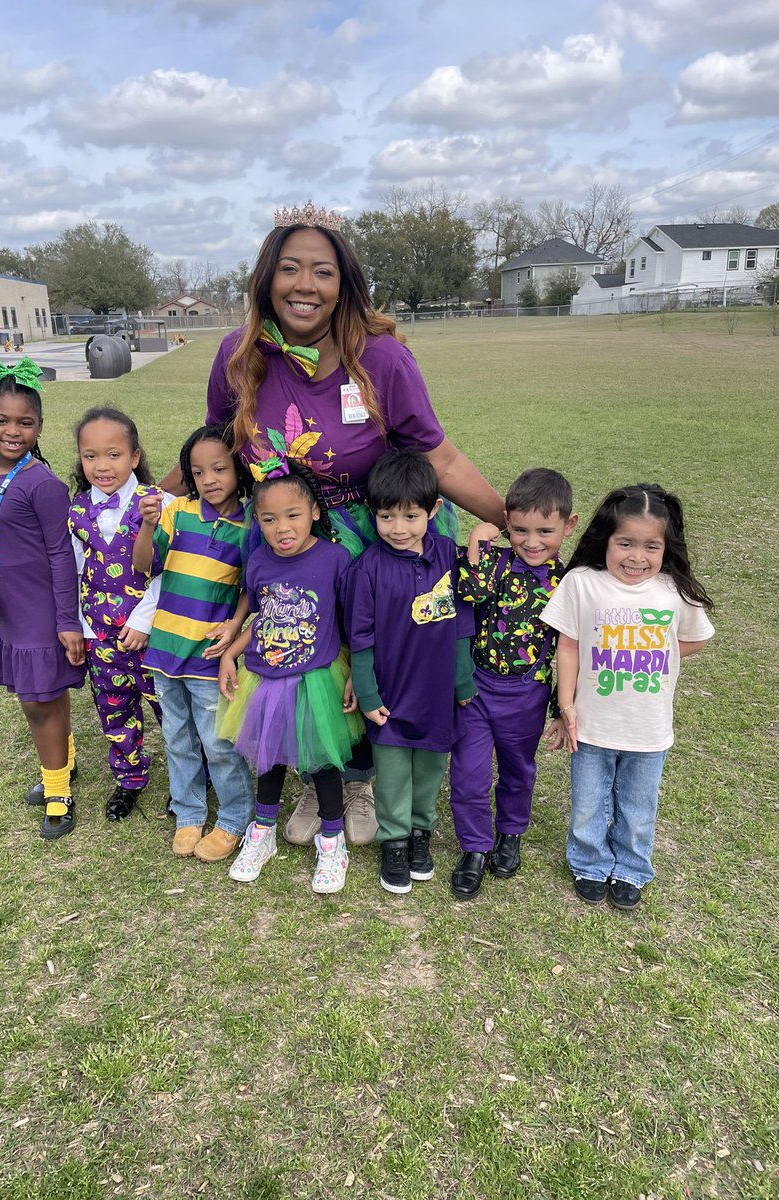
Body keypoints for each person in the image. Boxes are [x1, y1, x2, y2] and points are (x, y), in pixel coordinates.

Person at [162, 201, 505, 848]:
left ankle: (360, 783)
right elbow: (217, 445)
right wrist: (150, 502)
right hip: (284, 533)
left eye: (322, 271)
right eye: (290, 269)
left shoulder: (380, 359)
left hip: (371, 539)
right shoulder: (238, 356)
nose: (305, 285)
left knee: (364, 659)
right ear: (267, 279)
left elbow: (440, 455)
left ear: (343, 284)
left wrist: (510, 521)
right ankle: (317, 775)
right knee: (297, 657)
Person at [541, 483, 715, 910]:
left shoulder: (673, 591)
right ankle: (589, 862)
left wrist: (651, 652)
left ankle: (633, 868)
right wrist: (566, 709)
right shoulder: (582, 583)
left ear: (665, 547)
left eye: (650, 546)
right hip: (592, 722)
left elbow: (693, 640)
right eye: (625, 543)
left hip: (648, 727)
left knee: (639, 807)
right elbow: (568, 646)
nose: (637, 557)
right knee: (587, 802)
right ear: (607, 540)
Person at [217, 457, 362, 894]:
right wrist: (229, 653)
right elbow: (259, 617)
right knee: (269, 758)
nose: (283, 527)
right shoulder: (259, 562)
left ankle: (333, 840)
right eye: (269, 519)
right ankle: (261, 835)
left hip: (316, 678)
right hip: (266, 679)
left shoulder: (335, 559)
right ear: (257, 521)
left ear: (315, 512)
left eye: (293, 515)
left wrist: (357, 671)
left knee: (322, 762)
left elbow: (352, 621)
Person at [344, 450, 476, 895]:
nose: (398, 528)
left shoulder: (447, 556)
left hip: (437, 693)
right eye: (386, 517)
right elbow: (360, 638)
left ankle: (421, 833)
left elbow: (461, 624)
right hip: (391, 697)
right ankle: (395, 840)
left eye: (411, 516)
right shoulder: (367, 569)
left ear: (433, 511)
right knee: (395, 771)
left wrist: (462, 682)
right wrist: (368, 694)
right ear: (372, 514)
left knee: (430, 769)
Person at [0, 355, 85, 839]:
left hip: (43, 612)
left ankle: (57, 791)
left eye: (25, 422)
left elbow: (63, 556)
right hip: (10, 610)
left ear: (40, 426)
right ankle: (66, 763)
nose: (12, 431)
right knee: (45, 696)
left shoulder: (42, 484)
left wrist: (66, 619)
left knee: (38, 702)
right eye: (1, 420)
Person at [448, 468, 578, 900]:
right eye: (520, 530)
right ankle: (474, 848)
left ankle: (510, 833)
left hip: (528, 693)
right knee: (468, 776)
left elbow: (569, 650)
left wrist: (562, 708)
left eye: (545, 530)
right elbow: (468, 592)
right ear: (507, 522)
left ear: (568, 525)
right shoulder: (496, 563)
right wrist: (478, 541)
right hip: (478, 693)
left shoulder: (569, 583)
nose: (532, 541)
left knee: (518, 772)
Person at [133, 424, 255, 862]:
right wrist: (147, 527)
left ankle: (235, 818)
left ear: (239, 470)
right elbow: (145, 566)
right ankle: (188, 813)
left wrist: (236, 626)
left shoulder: (251, 525)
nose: (209, 480)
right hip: (165, 651)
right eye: (198, 472)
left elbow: (250, 588)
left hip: (208, 656)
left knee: (218, 743)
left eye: (220, 468)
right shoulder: (176, 512)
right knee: (177, 739)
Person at [68, 406, 167, 821]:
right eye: (90, 456)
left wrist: (144, 621)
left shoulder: (160, 504)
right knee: (115, 711)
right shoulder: (75, 511)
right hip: (99, 637)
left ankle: (197, 774)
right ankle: (129, 779)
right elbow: (71, 571)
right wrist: (75, 624)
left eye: (113, 454)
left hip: (152, 633)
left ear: (134, 457)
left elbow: (171, 570)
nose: (102, 466)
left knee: (171, 710)